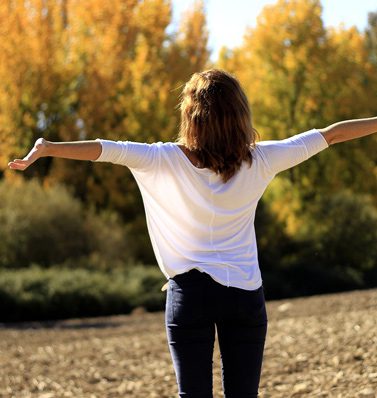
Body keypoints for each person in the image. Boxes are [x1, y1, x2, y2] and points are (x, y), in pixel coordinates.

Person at [8, 69, 377, 397]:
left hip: (190, 296)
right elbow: (331, 135)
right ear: (240, 115)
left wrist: (49, 148)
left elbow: (106, 150)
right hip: (245, 294)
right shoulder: (263, 159)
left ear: (191, 117)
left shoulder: (163, 158)